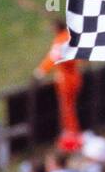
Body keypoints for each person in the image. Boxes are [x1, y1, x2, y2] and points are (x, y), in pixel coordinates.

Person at [35, 20, 83, 151]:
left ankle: (73, 137)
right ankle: (73, 135)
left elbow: (52, 58)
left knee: (67, 110)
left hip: (66, 80)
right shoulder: (70, 37)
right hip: (75, 77)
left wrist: (40, 71)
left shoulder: (60, 41)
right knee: (71, 108)